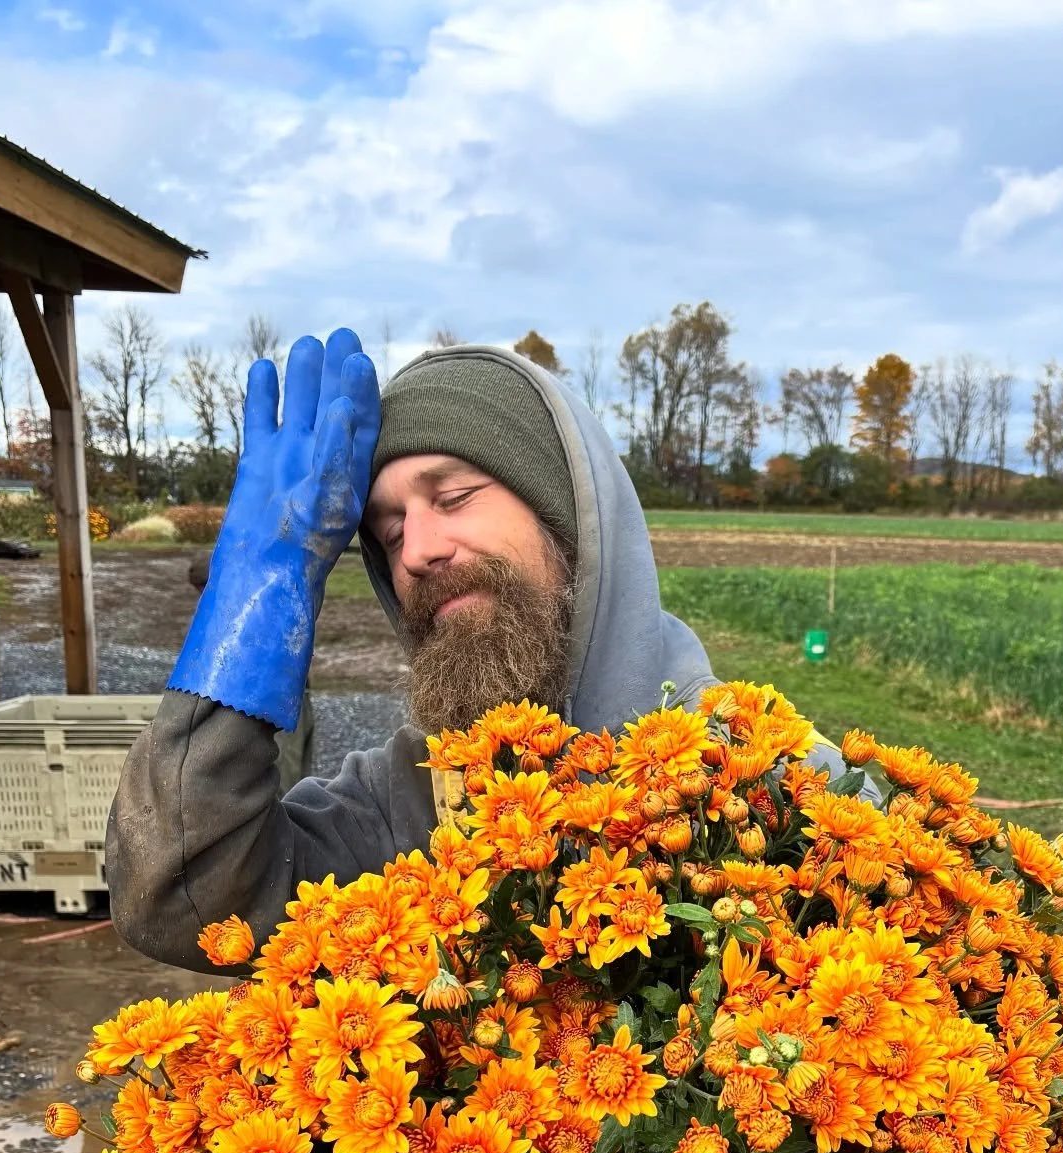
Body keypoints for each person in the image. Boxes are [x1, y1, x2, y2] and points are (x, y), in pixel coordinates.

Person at [105, 328, 720, 970]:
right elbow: (183, 899)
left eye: (452, 498)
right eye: (392, 534)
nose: (418, 552)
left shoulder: (746, 777)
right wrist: (257, 596)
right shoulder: (402, 805)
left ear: (564, 509)